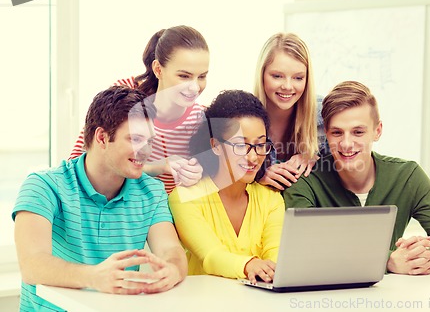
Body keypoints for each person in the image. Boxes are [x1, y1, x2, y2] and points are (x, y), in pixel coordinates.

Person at [13, 86, 188, 311]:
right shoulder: (43, 186)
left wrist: (172, 270)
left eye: (150, 141)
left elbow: (171, 251)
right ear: (102, 138)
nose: (146, 151)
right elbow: (32, 265)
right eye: (135, 139)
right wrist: (94, 277)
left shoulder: (152, 192)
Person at [283, 80, 430, 275]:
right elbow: (304, 252)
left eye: (358, 132)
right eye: (337, 133)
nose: (346, 144)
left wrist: (427, 260)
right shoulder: (304, 181)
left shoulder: (407, 176)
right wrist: (388, 261)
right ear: (326, 135)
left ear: (377, 131)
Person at [69, 25, 210, 194]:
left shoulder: (202, 119)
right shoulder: (124, 97)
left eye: (202, 76)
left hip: (161, 212)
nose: (194, 87)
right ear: (158, 69)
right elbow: (80, 162)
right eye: (184, 76)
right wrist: (157, 166)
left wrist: (200, 177)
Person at [169, 90, 284, 284]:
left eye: (260, 144)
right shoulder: (185, 197)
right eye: (240, 145)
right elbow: (210, 257)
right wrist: (249, 265)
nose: (253, 157)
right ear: (215, 145)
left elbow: (276, 258)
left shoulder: (272, 200)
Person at [253, 32, 321, 191]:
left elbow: (346, 159)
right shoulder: (243, 116)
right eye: (277, 76)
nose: (288, 86)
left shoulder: (322, 113)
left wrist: (315, 159)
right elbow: (221, 174)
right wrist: (257, 176)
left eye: (298, 78)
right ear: (262, 74)